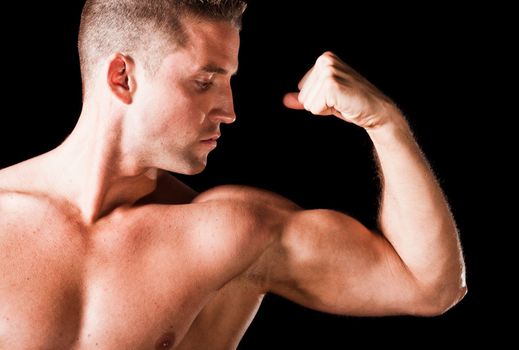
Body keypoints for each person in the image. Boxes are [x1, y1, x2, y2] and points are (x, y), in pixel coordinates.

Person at [0, 0, 467, 348]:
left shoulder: (228, 232)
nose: (229, 110)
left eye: (229, 82)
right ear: (123, 77)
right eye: (204, 82)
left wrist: (384, 122)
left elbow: (431, 286)